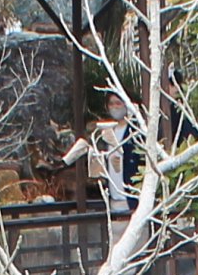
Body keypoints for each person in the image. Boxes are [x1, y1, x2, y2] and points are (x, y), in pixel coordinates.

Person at [59, 94, 141, 222]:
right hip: (113, 197)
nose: (114, 107)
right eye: (111, 104)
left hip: (132, 197)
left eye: (118, 103)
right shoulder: (105, 132)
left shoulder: (136, 131)